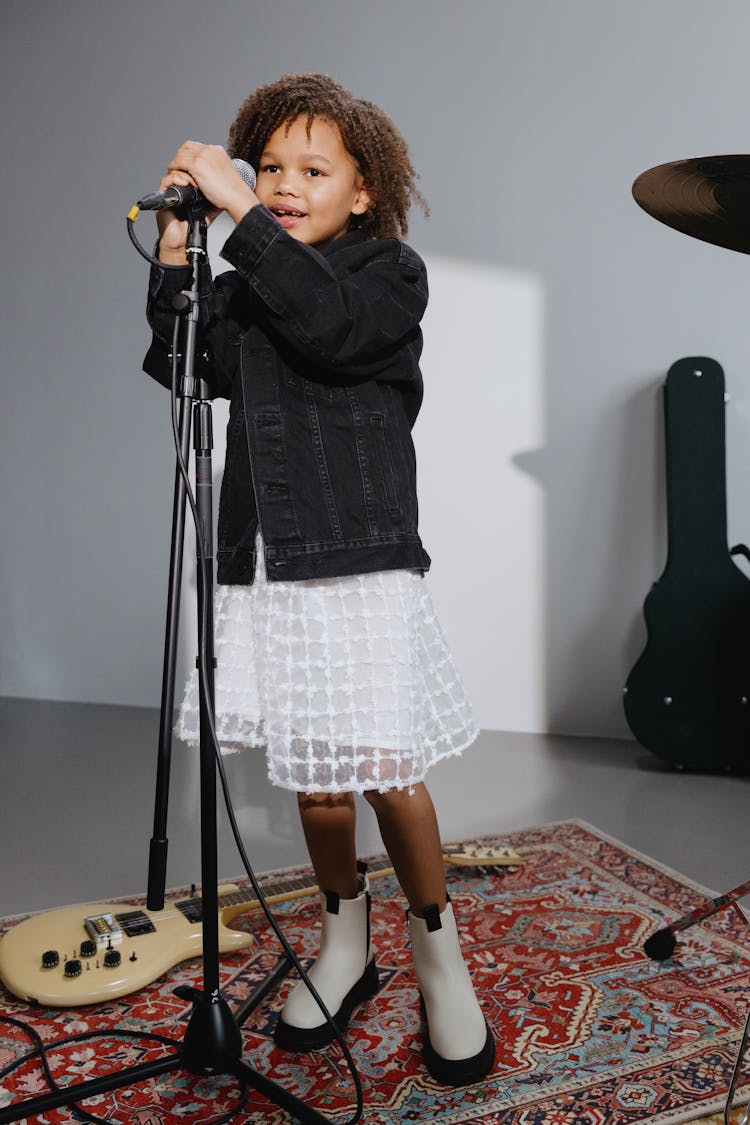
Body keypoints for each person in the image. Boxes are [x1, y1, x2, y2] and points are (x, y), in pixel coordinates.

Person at [143, 73, 495, 1087]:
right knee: (317, 776)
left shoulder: (387, 273)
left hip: (356, 554)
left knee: (386, 766)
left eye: (312, 169)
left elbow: (335, 332)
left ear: (364, 191)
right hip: (266, 557)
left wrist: (243, 213)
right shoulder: (249, 281)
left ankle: (439, 959)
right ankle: (347, 943)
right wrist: (177, 255)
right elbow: (185, 370)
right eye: (267, 168)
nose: (284, 185)